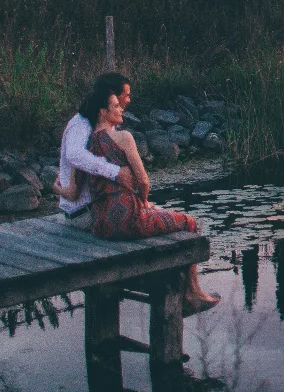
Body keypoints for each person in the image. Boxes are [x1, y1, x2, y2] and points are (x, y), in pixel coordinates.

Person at [76, 83, 220, 315]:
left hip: (101, 224)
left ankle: (189, 291)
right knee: (189, 223)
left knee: (159, 216)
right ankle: (192, 293)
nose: (121, 109)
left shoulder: (87, 145)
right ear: (103, 112)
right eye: (115, 106)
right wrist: (143, 202)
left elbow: (75, 190)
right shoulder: (123, 138)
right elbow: (143, 181)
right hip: (128, 221)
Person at [53, 73, 138, 231]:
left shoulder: (105, 125)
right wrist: (115, 172)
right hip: (86, 214)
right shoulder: (82, 124)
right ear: (111, 95)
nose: (128, 100)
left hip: (100, 209)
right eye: (125, 95)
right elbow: (74, 156)